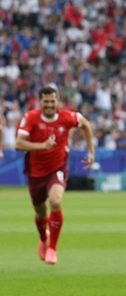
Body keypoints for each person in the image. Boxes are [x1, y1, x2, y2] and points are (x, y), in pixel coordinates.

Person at [14, 86, 95, 265]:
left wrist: (91, 151)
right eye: (46, 101)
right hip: (35, 172)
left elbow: (85, 124)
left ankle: (53, 248)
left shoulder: (67, 117)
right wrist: (41, 146)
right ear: (40, 101)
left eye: (53, 101)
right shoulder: (31, 117)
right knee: (41, 213)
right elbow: (19, 144)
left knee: (56, 202)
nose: (50, 105)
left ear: (57, 101)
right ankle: (43, 238)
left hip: (57, 168)